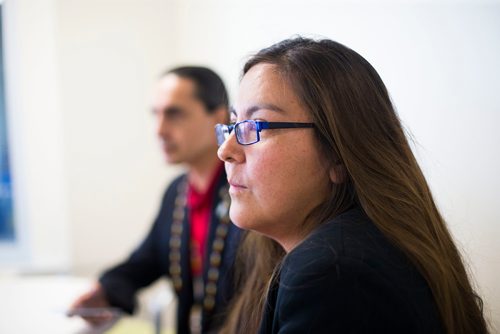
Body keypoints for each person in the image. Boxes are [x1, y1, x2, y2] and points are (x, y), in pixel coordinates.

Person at [215, 38, 489, 334]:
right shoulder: (341, 253)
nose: (226, 151)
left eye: (256, 125)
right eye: (232, 126)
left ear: (338, 154)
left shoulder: (332, 273)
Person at [70, 66, 242, 334]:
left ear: (218, 116)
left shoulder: (244, 189)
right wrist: (105, 291)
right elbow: (146, 260)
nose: (159, 130)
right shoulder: (177, 192)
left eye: (174, 114)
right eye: (156, 115)